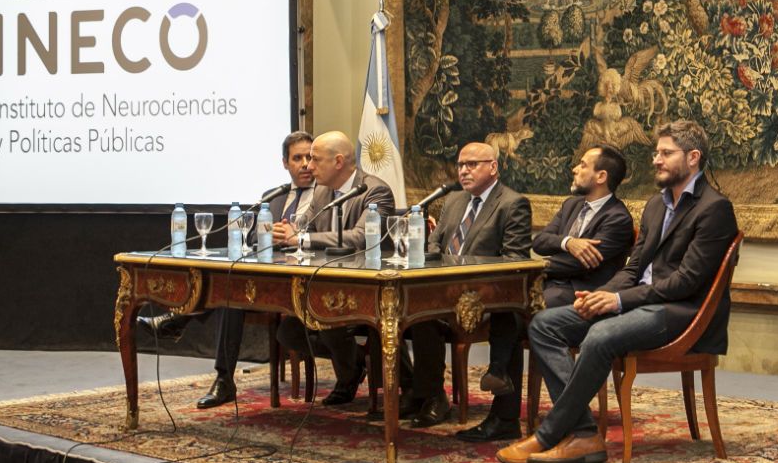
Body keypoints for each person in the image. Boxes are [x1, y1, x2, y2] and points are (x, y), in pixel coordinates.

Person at [498, 120, 738, 463]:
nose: (656, 159)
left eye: (666, 153)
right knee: (545, 325)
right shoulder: (656, 206)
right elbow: (632, 267)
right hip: (643, 304)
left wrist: (619, 301)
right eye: (656, 152)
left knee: (601, 333)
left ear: (693, 158)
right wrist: (602, 296)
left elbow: (687, 281)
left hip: (682, 313)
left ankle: (550, 434)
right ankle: (582, 433)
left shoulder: (714, 208)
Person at [137, 130, 316, 409]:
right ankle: (224, 380)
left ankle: (178, 319)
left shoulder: (327, 194)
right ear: (285, 163)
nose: (305, 164)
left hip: (304, 280)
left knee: (229, 291)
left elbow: (330, 237)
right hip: (268, 277)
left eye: (309, 157)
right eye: (297, 158)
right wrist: (272, 235)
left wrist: (298, 236)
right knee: (229, 290)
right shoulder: (275, 197)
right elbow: (255, 239)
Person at [405, 142, 532, 436]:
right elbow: (435, 244)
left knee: (505, 318)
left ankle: (492, 390)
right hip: (441, 291)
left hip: (483, 297)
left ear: (493, 167)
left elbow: (514, 260)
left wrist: (465, 271)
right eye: (461, 165)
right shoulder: (453, 201)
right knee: (412, 314)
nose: (464, 170)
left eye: (472, 164)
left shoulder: (512, 203)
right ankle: (429, 396)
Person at [274, 130, 396, 405]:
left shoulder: (375, 190)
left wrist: (301, 237)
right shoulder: (322, 190)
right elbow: (306, 225)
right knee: (289, 331)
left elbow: (360, 237)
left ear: (338, 162)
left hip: (368, 284)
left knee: (326, 315)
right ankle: (353, 363)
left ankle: (349, 375)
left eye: (315, 160)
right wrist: (286, 232)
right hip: (326, 281)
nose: (309, 166)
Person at [531, 145, 635, 309]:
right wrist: (568, 242)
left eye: (583, 165)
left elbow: (581, 263)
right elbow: (540, 242)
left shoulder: (618, 219)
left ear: (601, 176)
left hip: (581, 291)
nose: (574, 169)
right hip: (549, 283)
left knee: (528, 306)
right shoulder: (571, 205)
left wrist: (532, 267)